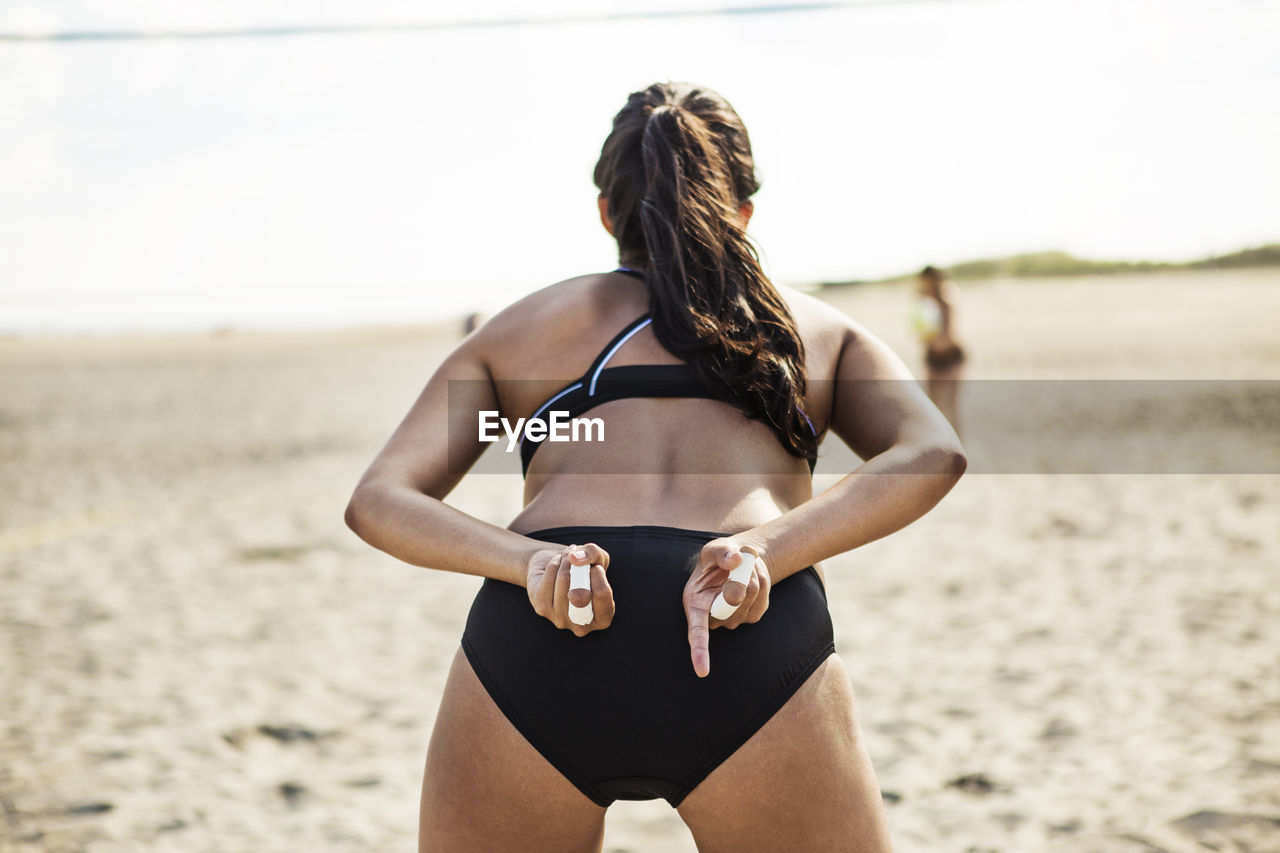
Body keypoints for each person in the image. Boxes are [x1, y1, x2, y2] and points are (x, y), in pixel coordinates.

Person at [344, 81, 966, 852]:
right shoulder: (808, 326)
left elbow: (379, 498)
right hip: (746, 626)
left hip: (543, 630)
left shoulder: (525, 327)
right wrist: (769, 550)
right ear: (743, 210)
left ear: (607, 212)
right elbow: (932, 451)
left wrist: (531, 562)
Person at [911, 264, 966, 432]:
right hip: (933, 358)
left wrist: (933, 339)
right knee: (933, 408)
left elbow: (948, 334)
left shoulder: (946, 300)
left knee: (951, 407)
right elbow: (919, 332)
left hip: (951, 356)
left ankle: (957, 450)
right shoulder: (922, 303)